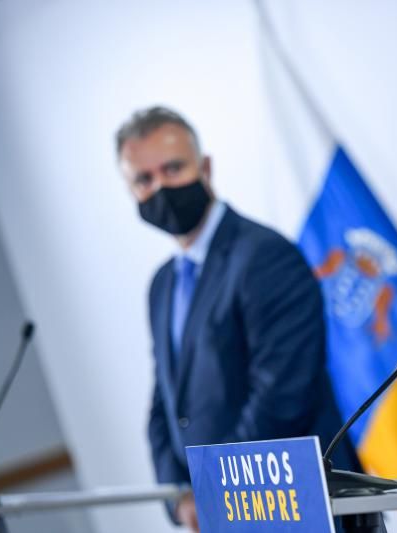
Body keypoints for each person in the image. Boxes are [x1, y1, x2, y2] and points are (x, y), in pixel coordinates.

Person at [116, 106, 360, 530]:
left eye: (173, 169)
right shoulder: (162, 285)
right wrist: (178, 495)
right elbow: (165, 402)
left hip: (299, 505)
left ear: (205, 167)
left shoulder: (264, 256)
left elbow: (282, 394)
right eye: (144, 179)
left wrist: (213, 489)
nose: (161, 187)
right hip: (228, 514)